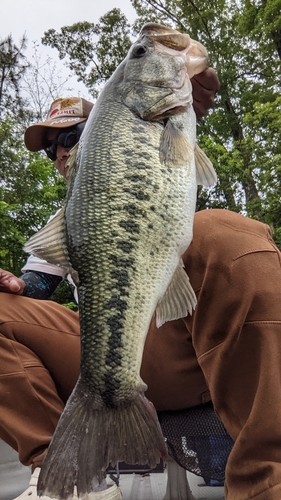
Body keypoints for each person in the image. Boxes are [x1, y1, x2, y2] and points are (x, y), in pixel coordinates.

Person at [4, 69, 270, 500]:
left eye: (70, 137)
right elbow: (31, 287)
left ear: (100, 133)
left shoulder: (161, 158)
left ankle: (269, 478)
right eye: (51, 149)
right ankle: (72, 479)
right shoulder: (62, 224)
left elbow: (176, 123)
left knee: (226, 231)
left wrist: (183, 86)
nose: (59, 154)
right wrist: (12, 283)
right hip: (104, 356)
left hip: (183, 351)